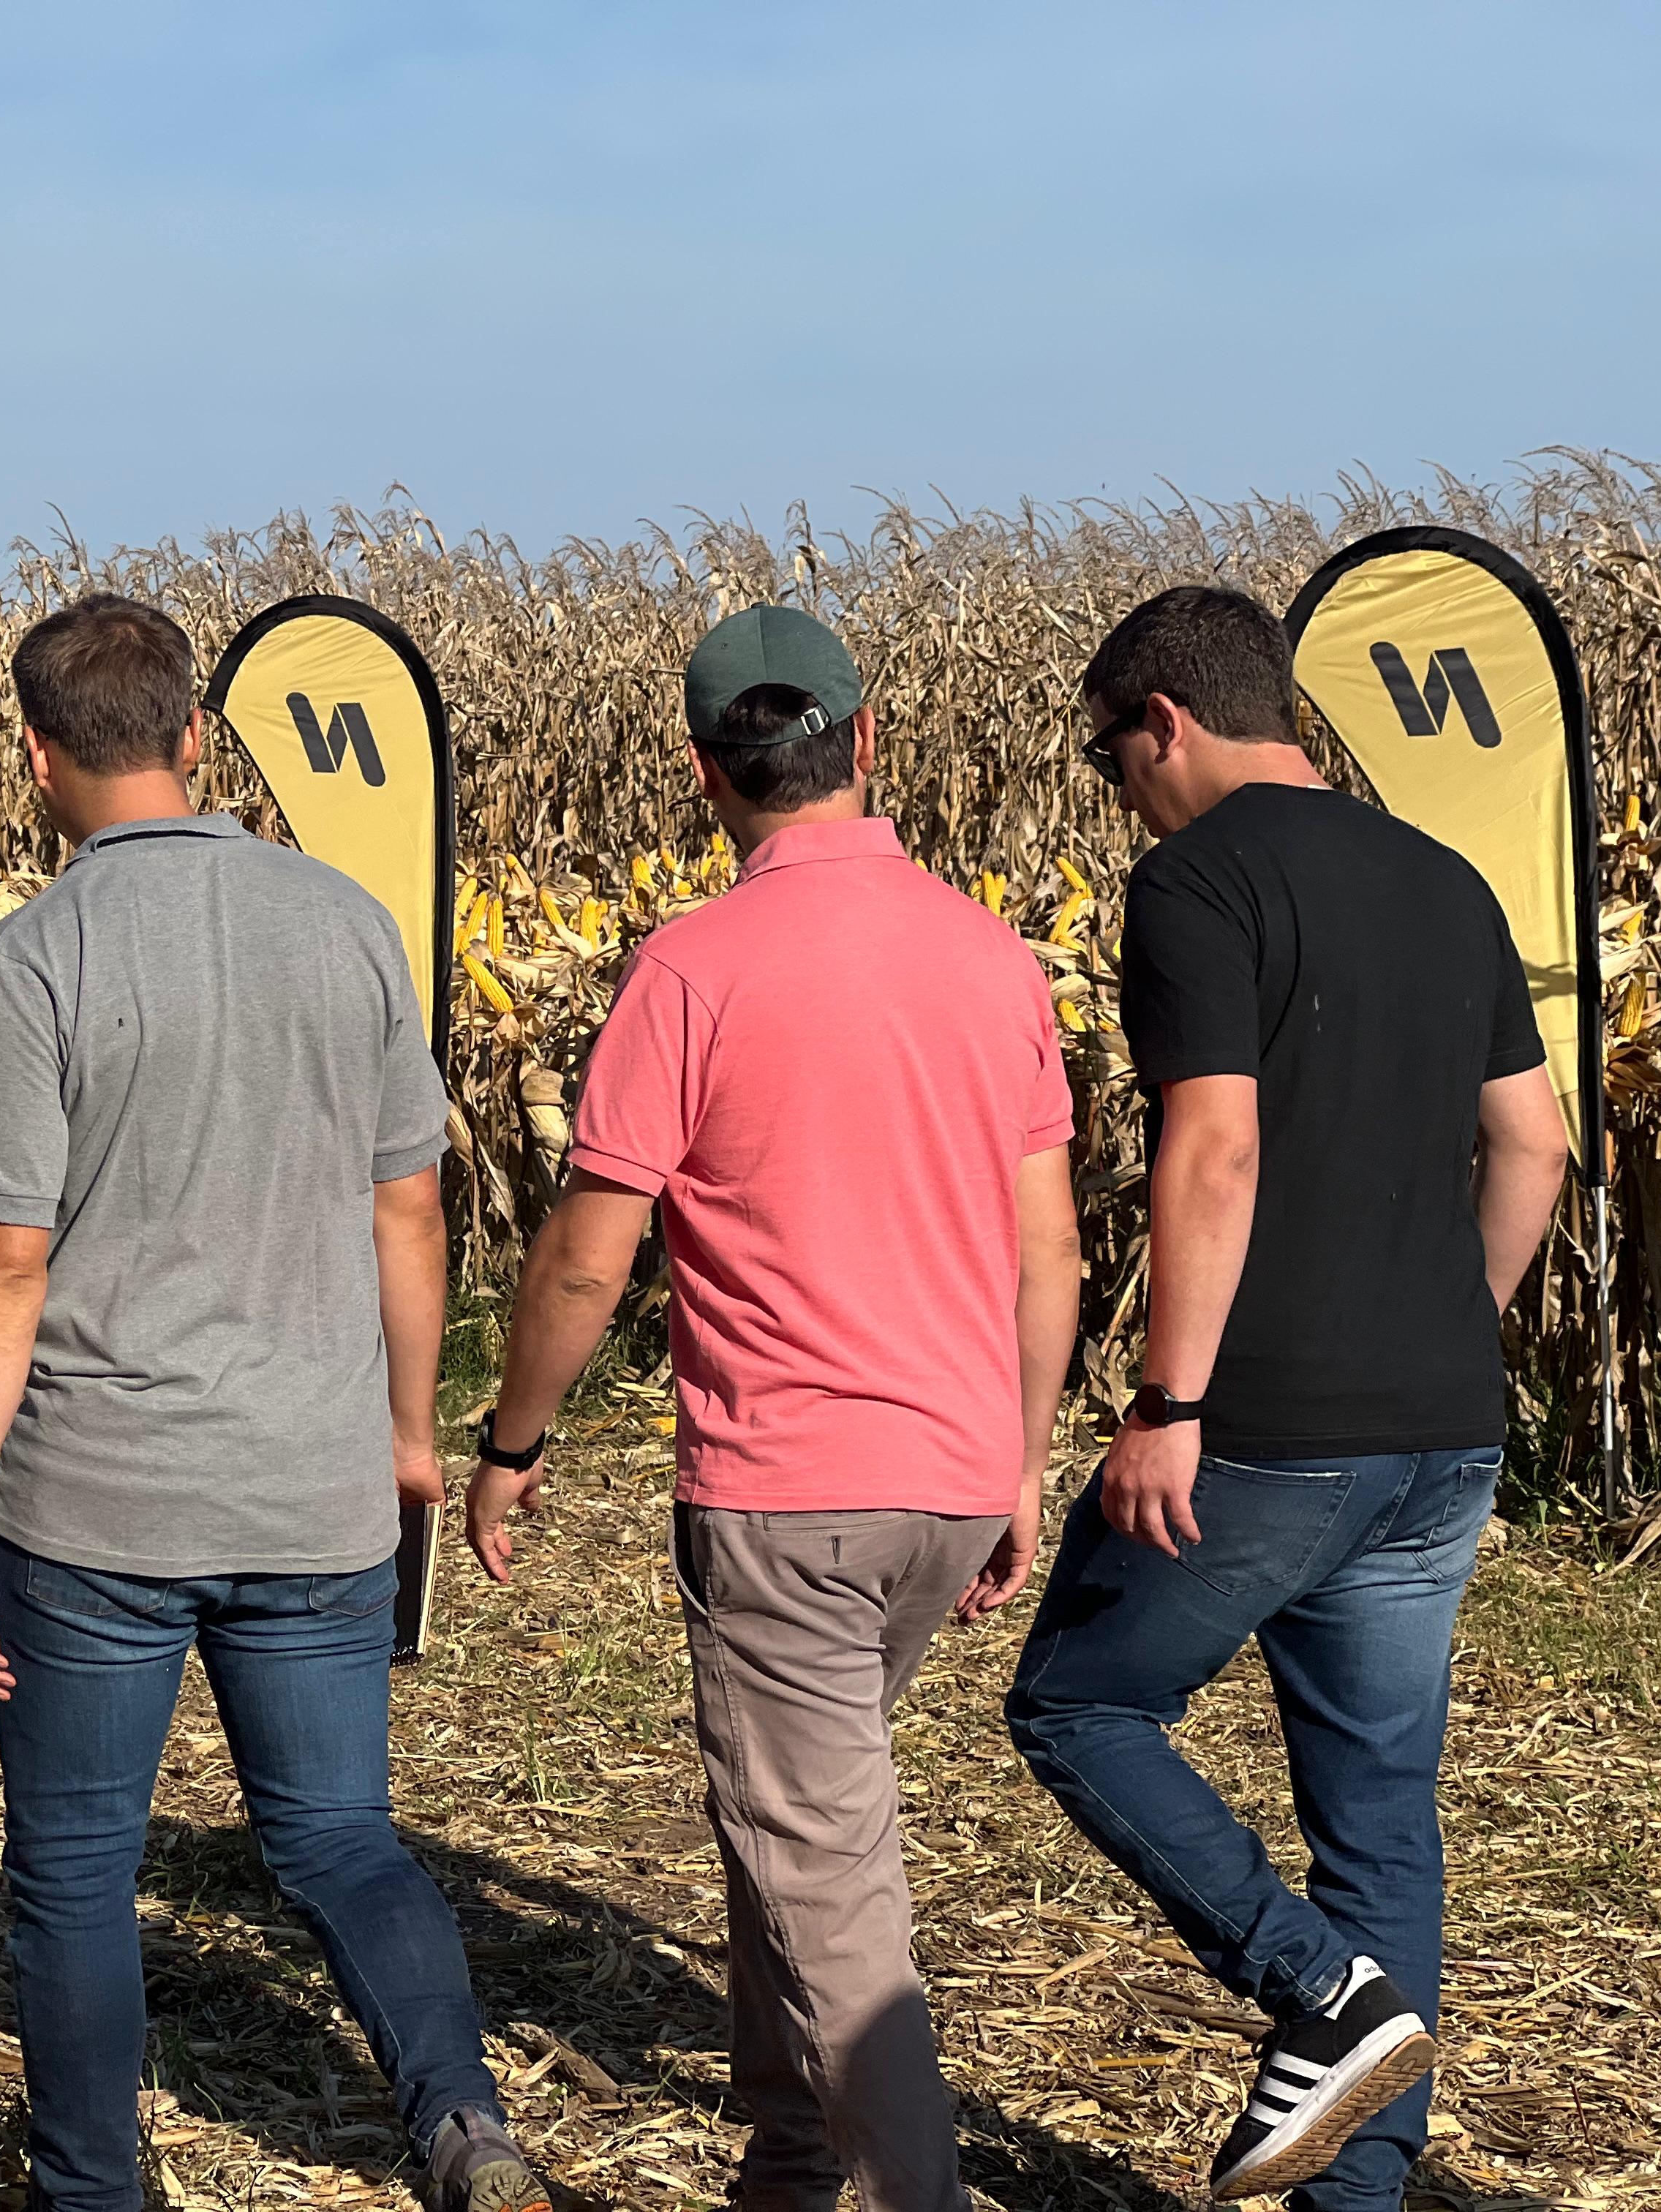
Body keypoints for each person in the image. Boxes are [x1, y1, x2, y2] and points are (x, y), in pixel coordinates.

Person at [0, 592, 546, 2212]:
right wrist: (410, 1434)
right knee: (341, 1840)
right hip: (314, 1485)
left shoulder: (32, 959)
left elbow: (0, 1260)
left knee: (75, 1875)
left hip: (97, 1504)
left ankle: (93, 2192)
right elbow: (410, 1208)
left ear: (39, 757)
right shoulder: (343, 921)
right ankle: (465, 2127)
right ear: (198, 736)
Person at [468, 603, 1083, 2212]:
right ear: (866, 742)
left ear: (702, 775)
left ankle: (904, 2191)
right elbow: (1050, 1249)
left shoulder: (693, 968)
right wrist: (1024, 1457)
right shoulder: (988, 953)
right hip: (948, 1486)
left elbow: (589, 1260)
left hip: (786, 1497)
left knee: (824, 1873)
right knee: (793, 1819)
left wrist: (512, 1443)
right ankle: (791, 2163)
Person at [1003, 586, 1570, 2205]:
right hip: (1443, 1429)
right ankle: (1358, 2187)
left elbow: (1218, 1145)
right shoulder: (1446, 878)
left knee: (1081, 1705)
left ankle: (1314, 1990)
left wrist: (1168, 1399)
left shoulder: (1195, 883)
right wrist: (1452, 1331)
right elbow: (1530, 1144)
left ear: (1165, 723)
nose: (1119, 790)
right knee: (1381, 1817)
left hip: (1264, 1427)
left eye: (1115, 758)